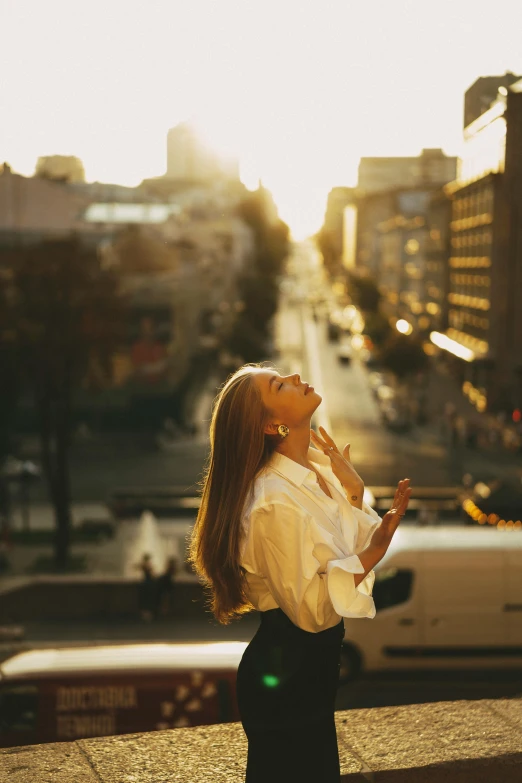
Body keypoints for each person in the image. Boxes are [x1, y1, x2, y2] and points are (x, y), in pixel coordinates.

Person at [189, 365, 411, 782]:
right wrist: (375, 550)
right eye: (278, 384)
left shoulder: (314, 473)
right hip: (285, 687)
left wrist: (353, 493)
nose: (293, 376)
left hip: (307, 678)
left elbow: (343, 553)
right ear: (273, 424)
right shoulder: (273, 501)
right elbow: (312, 611)